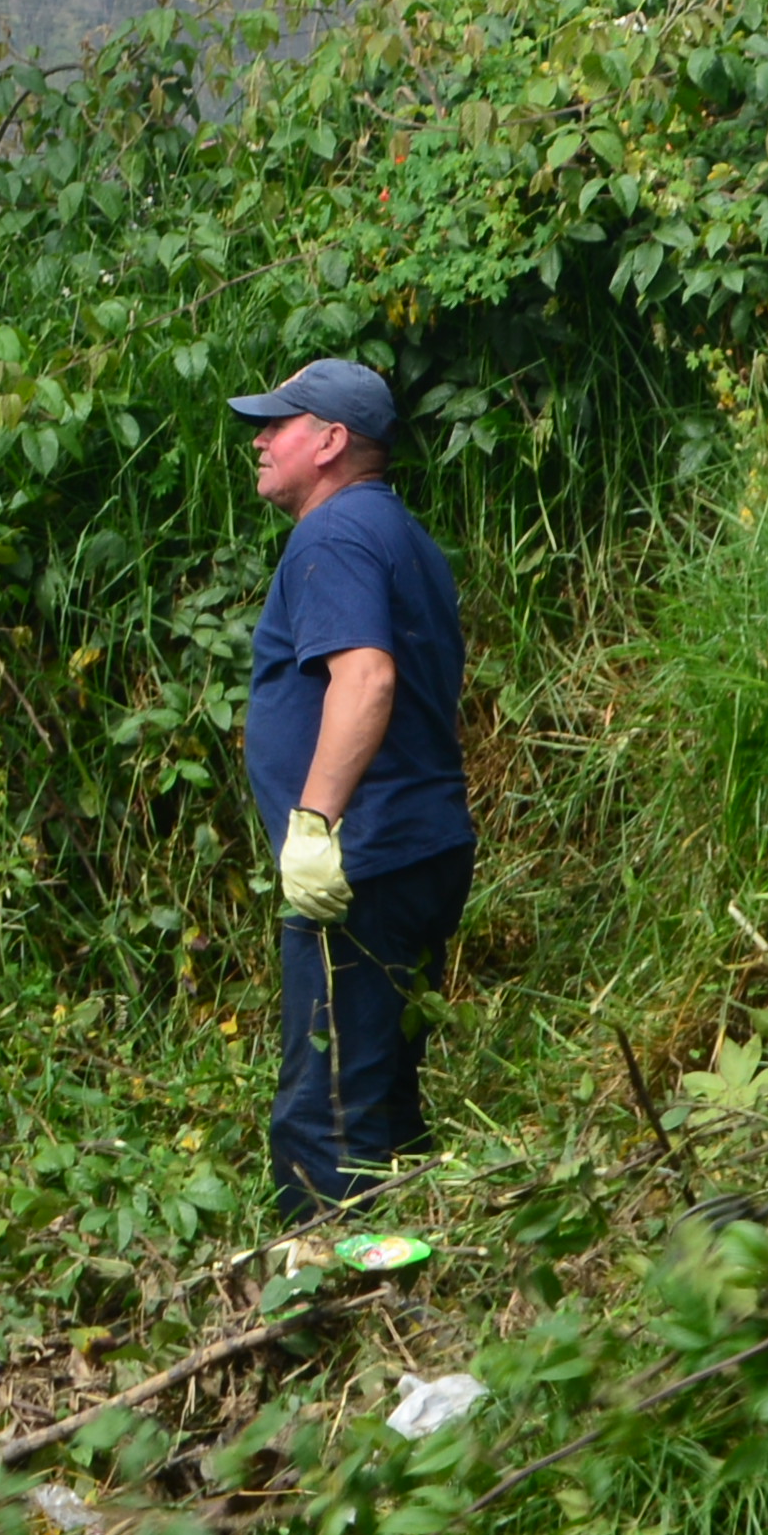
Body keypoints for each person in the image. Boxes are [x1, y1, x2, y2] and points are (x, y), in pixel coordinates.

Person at [238, 357, 470, 1214]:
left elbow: (366, 679)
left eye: (279, 424)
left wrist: (313, 824)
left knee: (326, 1124)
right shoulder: (402, 535)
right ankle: (407, 1273)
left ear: (332, 441)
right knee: (383, 1104)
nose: (260, 441)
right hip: (420, 850)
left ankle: (327, 1281)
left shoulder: (332, 535)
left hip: (361, 865)